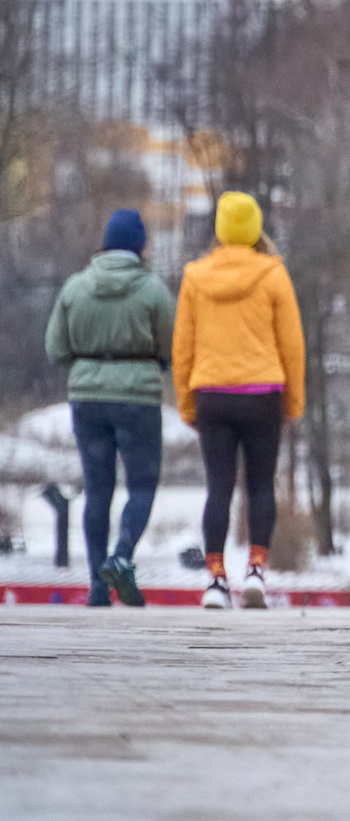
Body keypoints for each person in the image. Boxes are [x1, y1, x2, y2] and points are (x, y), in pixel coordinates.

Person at [174, 193, 306, 610]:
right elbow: (292, 345)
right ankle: (256, 572)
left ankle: (215, 580)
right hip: (263, 394)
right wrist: (294, 403)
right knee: (261, 486)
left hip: (212, 394)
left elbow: (183, 347)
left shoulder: (195, 277)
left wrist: (187, 404)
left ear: (219, 229)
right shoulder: (273, 274)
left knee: (219, 488)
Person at [45, 209, 176, 607]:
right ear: (140, 247)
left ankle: (97, 585)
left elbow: (56, 348)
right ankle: (121, 557)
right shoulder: (153, 291)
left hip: (87, 399)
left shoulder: (75, 288)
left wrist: (90, 362)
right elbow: (172, 345)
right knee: (141, 484)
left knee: (96, 489)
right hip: (137, 397)